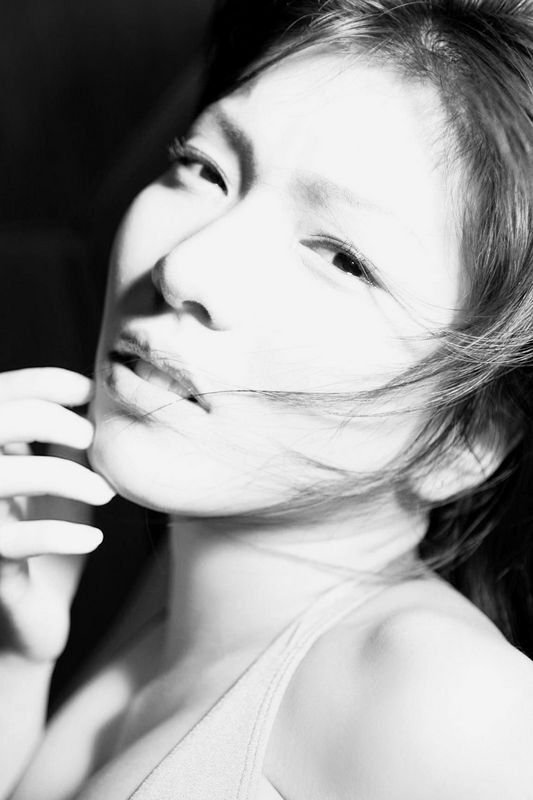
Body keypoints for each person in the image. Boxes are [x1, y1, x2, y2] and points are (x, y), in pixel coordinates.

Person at [2, 0, 533, 797]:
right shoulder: (178, 585)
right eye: (204, 168)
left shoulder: (446, 704)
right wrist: (16, 657)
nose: (183, 268)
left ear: (467, 439)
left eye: (342, 258)